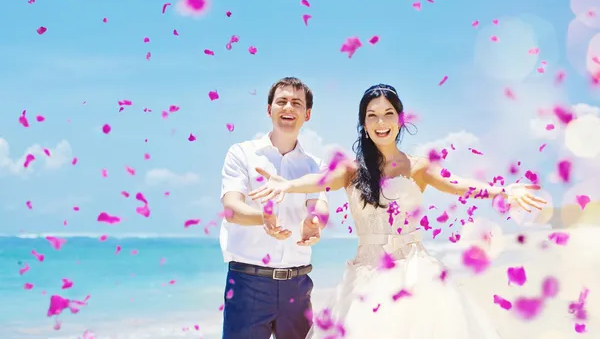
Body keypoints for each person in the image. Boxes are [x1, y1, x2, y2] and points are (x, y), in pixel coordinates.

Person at [248, 83, 547, 338]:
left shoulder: (418, 166)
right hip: (366, 273)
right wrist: (286, 184)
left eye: (388, 114)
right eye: (372, 116)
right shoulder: (351, 169)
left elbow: (457, 185)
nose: (381, 122)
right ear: (363, 123)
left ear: (400, 119)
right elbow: (318, 180)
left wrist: (504, 190)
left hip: (416, 272)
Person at [219, 77, 329, 339]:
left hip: (297, 286)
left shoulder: (315, 165)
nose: (288, 107)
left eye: (296, 103)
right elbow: (231, 208)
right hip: (248, 283)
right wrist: (263, 218)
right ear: (269, 110)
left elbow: (319, 205)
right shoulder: (242, 153)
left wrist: (314, 223)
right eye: (281, 101)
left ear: (307, 114)